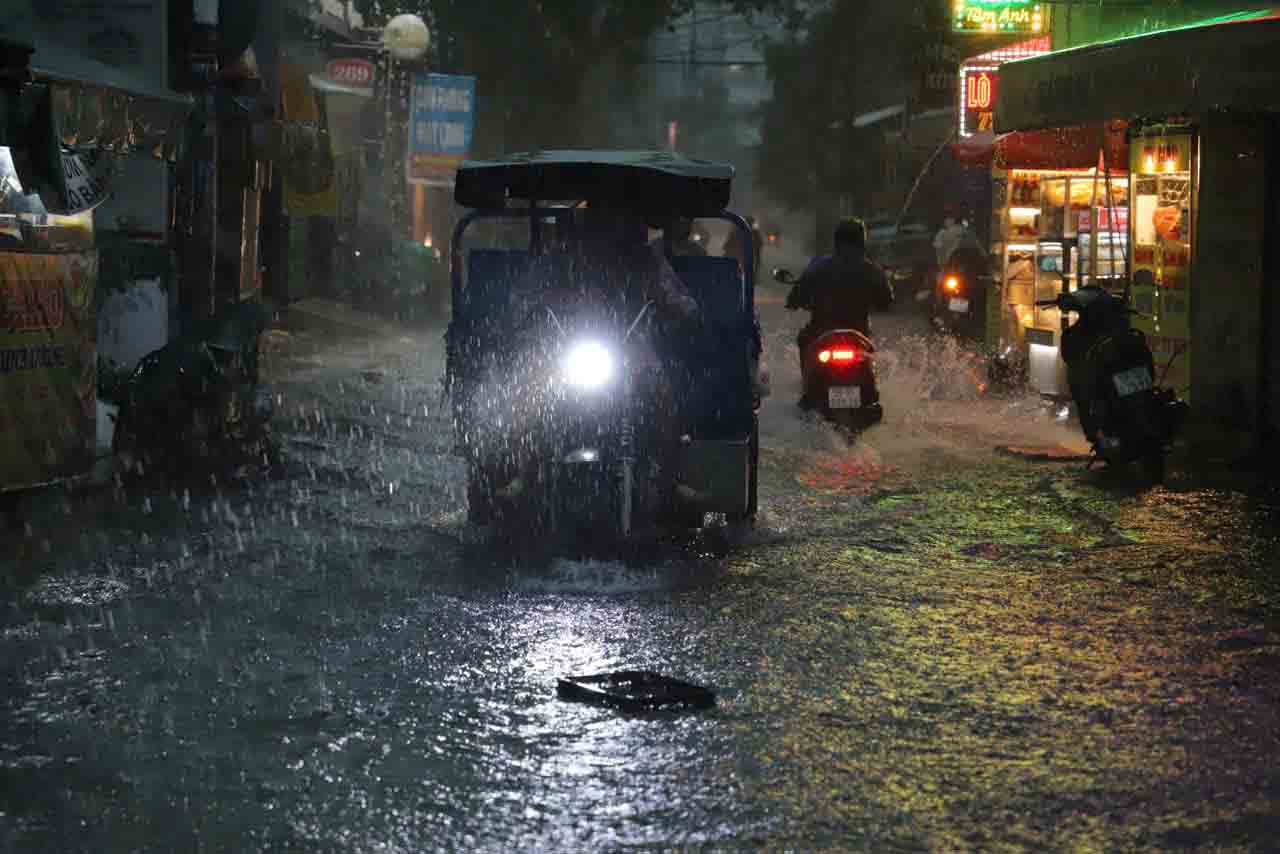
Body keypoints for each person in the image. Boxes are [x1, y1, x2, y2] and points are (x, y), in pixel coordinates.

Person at [786, 217, 893, 405]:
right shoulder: (872, 269)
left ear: (836, 241)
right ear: (862, 240)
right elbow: (887, 302)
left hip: (821, 333)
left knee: (803, 338)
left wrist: (796, 301)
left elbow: (796, 296)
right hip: (858, 335)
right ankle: (870, 390)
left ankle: (808, 386)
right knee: (870, 349)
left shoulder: (819, 265)